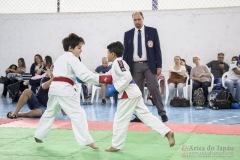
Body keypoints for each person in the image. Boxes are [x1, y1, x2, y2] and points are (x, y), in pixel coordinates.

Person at [34, 33, 102, 150]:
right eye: (79, 48)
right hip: (64, 88)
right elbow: (84, 75)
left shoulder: (60, 59)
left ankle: (39, 134)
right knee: (78, 114)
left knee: (50, 111)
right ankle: (87, 141)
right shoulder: (72, 58)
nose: (81, 51)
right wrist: (102, 78)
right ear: (70, 48)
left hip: (54, 88)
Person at [104, 41, 175, 152]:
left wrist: (115, 88)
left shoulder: (118, 63)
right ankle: (167, 132)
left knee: (120, 120)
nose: (106, 55)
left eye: (108, 52)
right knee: (146, 116)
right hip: (134, 93)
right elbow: (106, 76)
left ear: (112, 54)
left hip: (128, 95)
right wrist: (87, 77)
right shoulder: (117, 64)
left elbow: (126, 77)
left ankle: (116, 145)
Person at [123, 11, 168, 122]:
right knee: (137, 92)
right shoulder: (128, 34)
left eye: (139, 19)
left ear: (143, 18)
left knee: (154, 88)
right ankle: (139, 115)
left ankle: (162, 113)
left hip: (149, 65)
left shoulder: (152, 31)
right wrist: (125, 68)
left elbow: (157, 49)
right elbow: (126, 53)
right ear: (132, 20)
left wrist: (159, 65)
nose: (137, 22)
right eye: (135, 20)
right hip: (134, 66)